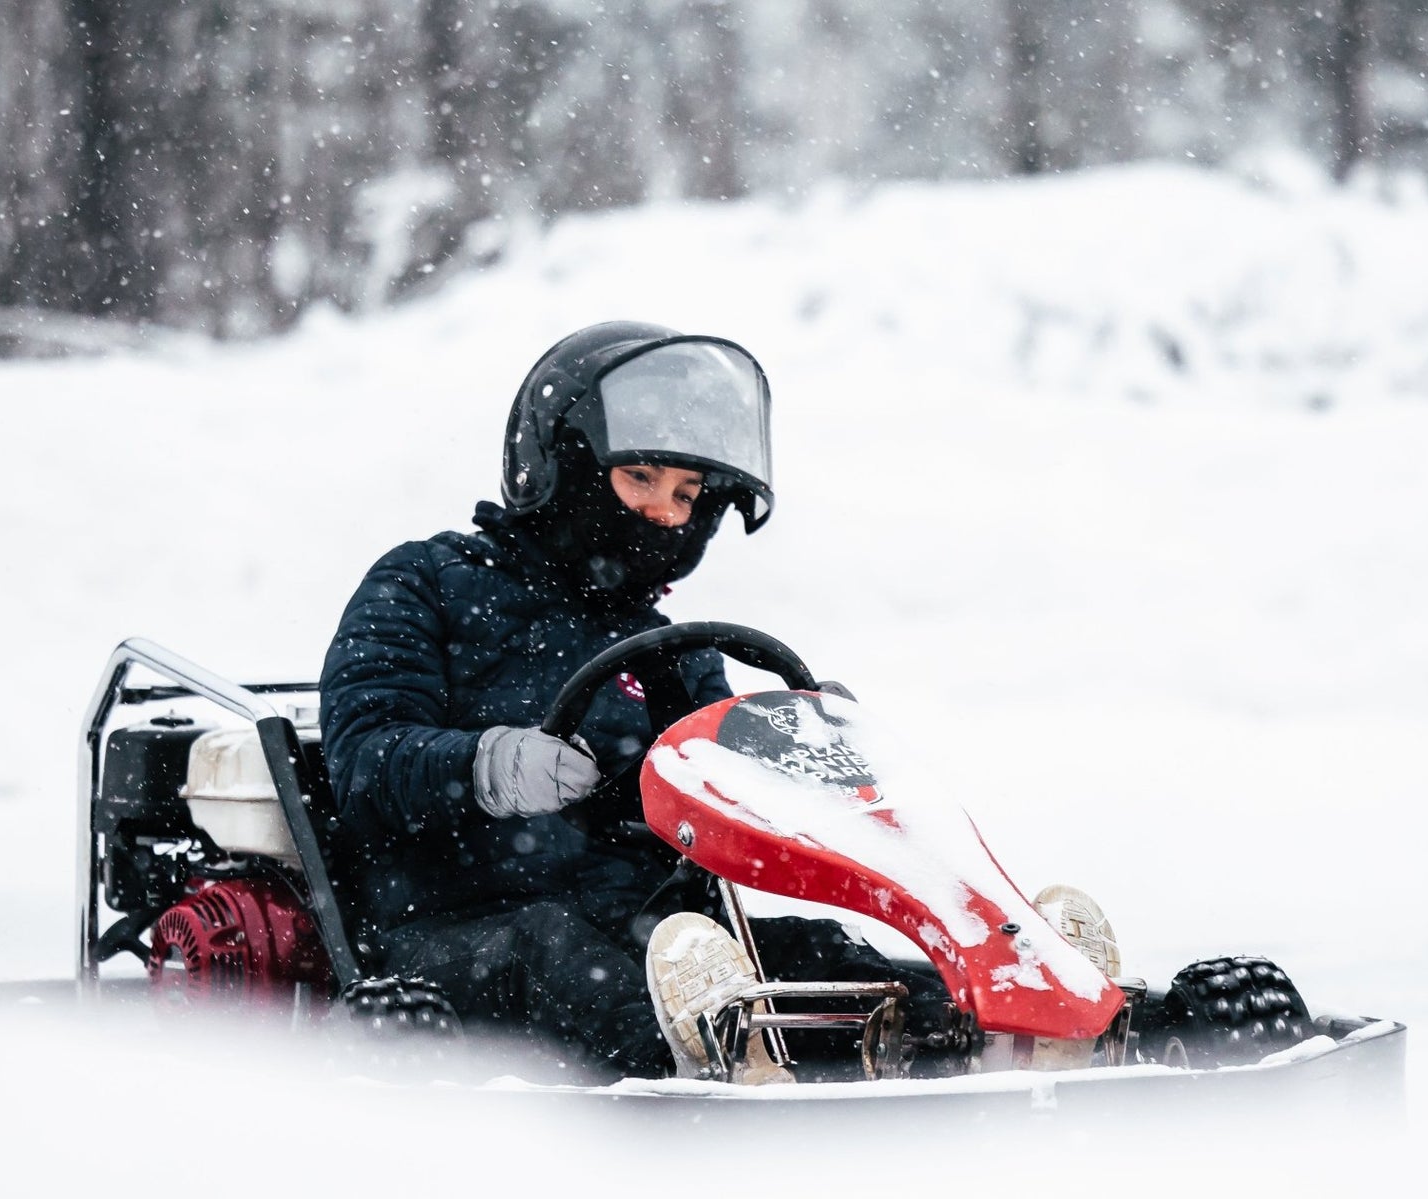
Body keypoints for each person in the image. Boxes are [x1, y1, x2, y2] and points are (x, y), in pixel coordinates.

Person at [319, 321, 982, 1081]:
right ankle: (720, 1070)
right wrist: (490, 767)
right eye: (642, 479)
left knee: (815, 956)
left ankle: (1006, 1026)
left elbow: (723, 796)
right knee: (559, 953)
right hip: (452, 925)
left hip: (654, 935)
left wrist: (801, 753)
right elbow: (363, 765)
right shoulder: (425, 583)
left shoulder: (671, 645)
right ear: (561, 463)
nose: (668, 515)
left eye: (689, 494)